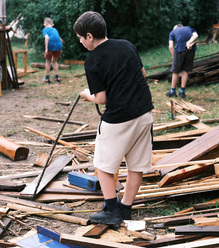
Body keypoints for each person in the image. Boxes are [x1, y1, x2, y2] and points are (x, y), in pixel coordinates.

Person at [73, 11, 154, 225]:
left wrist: (85, 95)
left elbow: (100, 98)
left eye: (80, 37)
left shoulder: (92, 61)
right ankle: (125, 208)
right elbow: (142, 74)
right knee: (136, 165)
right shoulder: (127, 45)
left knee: (103, 165)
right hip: (144, 113)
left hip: (119, 118)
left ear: (89, 36)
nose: (80, 41)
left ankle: (111, 210)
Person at [166, 24, 198, 98]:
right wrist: (189, 42)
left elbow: (171, 47)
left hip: (179, 50)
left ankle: (172, 91)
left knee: (176, 71)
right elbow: (196, 35)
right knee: (185, 70)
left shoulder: (173, 32)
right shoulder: (189, 28)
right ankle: (182, 92)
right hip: (191, 50)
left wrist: (175, 58)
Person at [42, 17, 63, 83]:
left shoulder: (45, 29)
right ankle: (57, 77)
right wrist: (60, 48)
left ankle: (47, 78)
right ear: (52, 24)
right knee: (55, 61)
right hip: (58, 45)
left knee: (48, 61)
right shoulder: (55, 29)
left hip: (50, 45)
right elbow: (61, 40)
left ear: (45, 24)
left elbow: (47, 37)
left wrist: (46, 49)